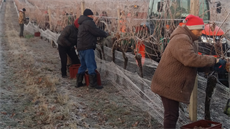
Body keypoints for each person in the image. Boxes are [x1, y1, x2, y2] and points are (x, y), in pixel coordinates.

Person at [150, 15, 226, 129]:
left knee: (172, 115)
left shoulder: (189, 39)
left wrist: (211, 67)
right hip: (168, 84)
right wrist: (214, 60)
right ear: (191, 28)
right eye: (199, 30)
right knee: (171, 115)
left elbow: (192, 62)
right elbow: (190, 59)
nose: (201, 33)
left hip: (170, 83)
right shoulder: (181, 39)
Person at [76, 9, 109, 89]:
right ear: (89, 15)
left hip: (80, 47)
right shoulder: (89, 22)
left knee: (83, 65)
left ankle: (78, 82)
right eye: (92, 15)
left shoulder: (81, 23)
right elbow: (96, 31)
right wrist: (106, 34)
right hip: (87, 47)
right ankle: (93, 84)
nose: (93, 16)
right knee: (91, 65)